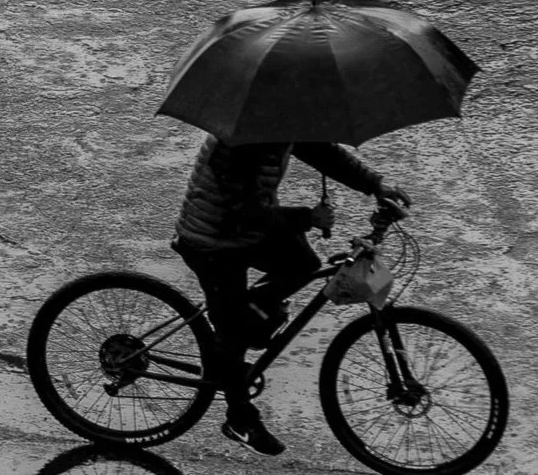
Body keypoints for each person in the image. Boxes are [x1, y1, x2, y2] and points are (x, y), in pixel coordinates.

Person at [172, 134, 409, 455]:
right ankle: (239, 417)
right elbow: (244, 210)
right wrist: (308, 218)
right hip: (213, 239)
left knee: (302, 263)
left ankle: (243, 325)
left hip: (246, 231)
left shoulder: (279, 123)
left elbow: (321, 150)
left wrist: (376, 185)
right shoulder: (237, 143)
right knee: (234, 328)